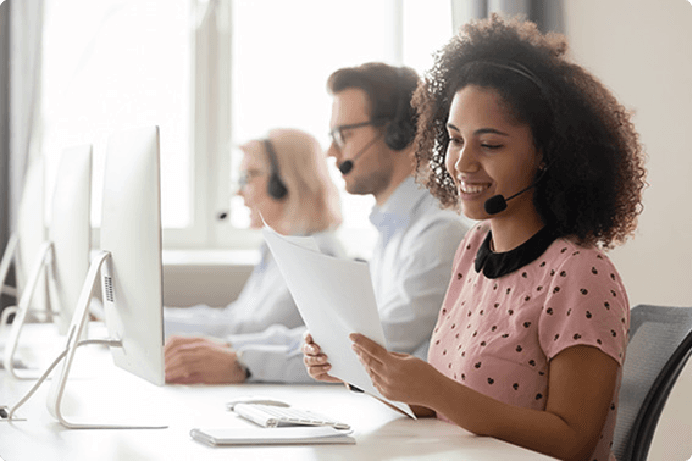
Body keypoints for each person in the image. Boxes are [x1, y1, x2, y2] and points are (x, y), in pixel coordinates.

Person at [303, 15, 647, 461]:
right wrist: (358, 371)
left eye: (490, 145)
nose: (462, 163)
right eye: (454, 139)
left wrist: (436, 391)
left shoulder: (580, 272)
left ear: (546, 154)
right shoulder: (472, 250)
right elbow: (443, 408)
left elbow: (573, 440)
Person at [166, 62, 471, 385]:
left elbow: (373, 349)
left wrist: (245, 361)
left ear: (398, 135)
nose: (331, 151)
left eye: (345, 134)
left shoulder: (437, 234)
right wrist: (235, 350)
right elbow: (334, 336)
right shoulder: (393, 232)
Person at [164, 128, 344, 383]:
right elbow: (234, 318)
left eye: (250, 177)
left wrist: (152, 324)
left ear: (284, 182)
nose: (239, 193)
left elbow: (255, 330)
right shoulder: (277, 249)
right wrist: (152, 318)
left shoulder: (317, 254)